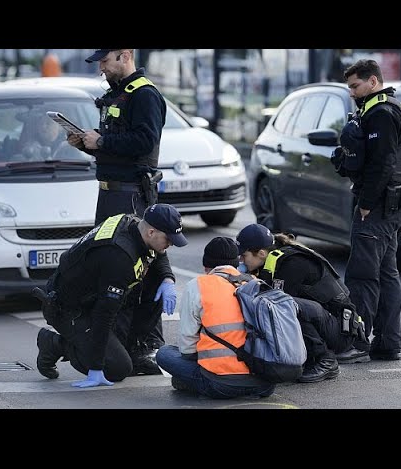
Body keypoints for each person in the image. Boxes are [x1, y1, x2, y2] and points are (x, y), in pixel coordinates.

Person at [35, 203, 187, 387]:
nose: (170, 244)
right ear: (151, 232)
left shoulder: (134, 224)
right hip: (69, 310)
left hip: (97, 297)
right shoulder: (119, 258)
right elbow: (104, 314)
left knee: (158, 282)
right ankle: (55, 344)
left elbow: (158, 253)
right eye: (168, 239)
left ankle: (134, 348)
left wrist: (167, 279)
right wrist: (96, 366)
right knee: (118, 368)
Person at [339, 59, 401, 361]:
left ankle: (356, 343)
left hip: (379, 206)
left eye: (355, 86)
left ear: (373, 81)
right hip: (392, 204)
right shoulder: (391, 107)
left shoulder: (382, 112)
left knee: (363, 276)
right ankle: (386, 343)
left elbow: (383, 164)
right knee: (385, 274)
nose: (352, 93)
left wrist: (367, 204)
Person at [236, 223, 368, 383]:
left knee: (285, 306)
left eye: (244, 256)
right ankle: (311, 355)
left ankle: (325, 360)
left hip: (342, 333)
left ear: (262, 253)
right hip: (329, 323)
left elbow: (278, 308)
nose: (241, 261)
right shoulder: (272, 260)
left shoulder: (291, 263)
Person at [155, 236, 276, 398]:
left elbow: (187, 347)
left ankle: (190, 382)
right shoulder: (256, 283)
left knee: (165, 353)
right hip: (264, 384)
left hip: (220, 384)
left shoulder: (198, 285)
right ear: (237, 263)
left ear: (206, 266)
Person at [67, 48, 167, 226]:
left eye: (105, 61)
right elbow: (113, 147)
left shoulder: (144, 94)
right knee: (104, 252)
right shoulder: (116, 94)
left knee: (126, 252)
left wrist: (100, 141)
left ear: (125, 56)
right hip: (110, 194)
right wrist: (85, 143)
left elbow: (145, 141)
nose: (101, 68)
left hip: (131, 195)